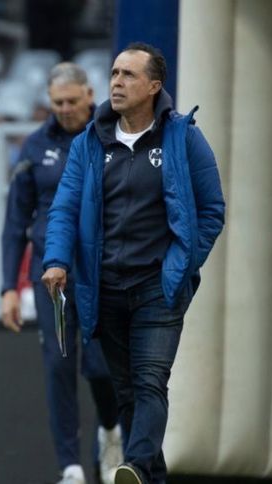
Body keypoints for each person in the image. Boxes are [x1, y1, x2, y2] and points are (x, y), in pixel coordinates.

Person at [41, 43, 225, 484]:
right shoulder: (89, 142)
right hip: (104, 286)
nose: (117, 82)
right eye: (114, 73)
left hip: (158, 286)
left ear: (154, 86)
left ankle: (136, 466)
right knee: (125, 392)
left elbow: (212, 210)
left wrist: (181, 263)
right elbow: (64, 208)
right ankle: (147, 476)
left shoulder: (183, 137)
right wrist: (57, 259)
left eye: (128, 75)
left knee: (149, 381)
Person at [0, 62, 123, 484]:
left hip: (102, 270)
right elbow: (15, 223)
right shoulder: (34, 147)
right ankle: (70, 467)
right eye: (58, 103)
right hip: (50, 274)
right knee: (58, 364)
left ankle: (111, 430)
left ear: (90, 95)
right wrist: (8, 287)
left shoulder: (112, 136)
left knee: (101, 367)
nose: (66, 109)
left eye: (72, 101)